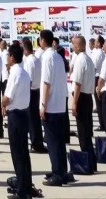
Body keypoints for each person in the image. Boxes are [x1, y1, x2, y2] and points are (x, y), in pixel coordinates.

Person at [3, 42, 35, 199]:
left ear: (12, 57)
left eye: (8, 56)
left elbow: (7, 98)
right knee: (23, 153)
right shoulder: (24, 73)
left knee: (17, 154)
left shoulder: (15, 73)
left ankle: (22, 190)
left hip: (15, 115)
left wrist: (1, 104)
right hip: (23, 114)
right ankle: (27, 185)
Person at [38, 29, 70, 186]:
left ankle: (58, 174)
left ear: (43, 41)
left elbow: (46, 83)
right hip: (59, 104)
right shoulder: (58, 56)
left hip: (50, 105)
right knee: (59, 141)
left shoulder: (47, 57)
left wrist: (43, 105)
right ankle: (61, 170)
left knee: (53, 142)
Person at [70, 35, 95, 156]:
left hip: (82, 98)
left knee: (83, 132)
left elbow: (78, 84)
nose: (72, 46)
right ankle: (90, 157)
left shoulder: (80, 60)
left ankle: (87, 159)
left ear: (79, 46)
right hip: (87, 97)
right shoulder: (88, 59)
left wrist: (74, 103)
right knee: (87, 131)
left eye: (74, 44)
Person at [19, 38, 45, 153]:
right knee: (35, 119)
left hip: (31, 91)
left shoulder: (29, 61)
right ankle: (38, 142)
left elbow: (28, 80)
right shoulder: (36, 59)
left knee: (32, 120)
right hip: (37, 90)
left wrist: (24, 93)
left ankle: (35, 143)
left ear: (25, 49)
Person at [91, 36, 106, 131]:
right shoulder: (97, 52)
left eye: (96, 41)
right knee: (99, 102)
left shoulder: (99, 53)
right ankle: (103, 124)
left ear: (99, 43)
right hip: (97, 77)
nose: (94, 43)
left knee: (99, 102)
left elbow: (94, 67)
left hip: (97, 77)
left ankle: (102, 125)